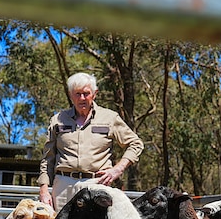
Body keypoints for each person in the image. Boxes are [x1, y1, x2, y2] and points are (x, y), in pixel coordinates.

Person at [38, 72, 144, 209]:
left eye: (86, 93)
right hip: (63, 188)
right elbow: (47, 159)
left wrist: (117, 170)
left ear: (94, 94)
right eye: (77, 94)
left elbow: (135, 144)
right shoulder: (57, 120)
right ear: (71, 95)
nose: (82, 98)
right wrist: (44, 190)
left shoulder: (110, 118)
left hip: (96, 184)